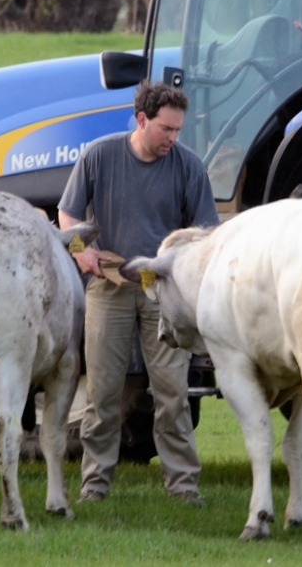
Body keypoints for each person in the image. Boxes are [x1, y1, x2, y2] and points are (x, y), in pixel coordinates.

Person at [58, 79, 219, 506]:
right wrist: (81, 252)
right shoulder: (99, 155)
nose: (173, 138)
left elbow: (206, 235)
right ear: (142, 119)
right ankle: (94, 486)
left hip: (164, 293)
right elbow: (67, 213)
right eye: (166, 129)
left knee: (172, 394)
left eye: (178, 130)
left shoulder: (188, 167)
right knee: (103, 394)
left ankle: (184, 487)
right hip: (107, 290)